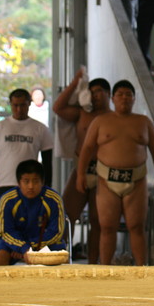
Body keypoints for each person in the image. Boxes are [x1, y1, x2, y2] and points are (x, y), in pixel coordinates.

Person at [77, 80, 154, 266]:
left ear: (134, 99)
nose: (124, 98)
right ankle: (105, 269)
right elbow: (87, 148)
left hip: (136, 181)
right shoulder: (100, 122)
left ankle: (141, 269)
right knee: (107, 227)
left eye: (128, 95)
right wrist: (80, 174)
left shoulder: (143, 122)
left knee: (137, 226)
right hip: (106, 180)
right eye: (120, 94)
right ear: (113, 98)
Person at [0, 88, 53, 265]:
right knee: (1, 230)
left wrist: (47, 187)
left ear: (29, 104)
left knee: (31, 226)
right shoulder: (1, 127)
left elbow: (47, 162)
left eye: (23, 105)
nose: (19, 109)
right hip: (4, 184)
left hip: (31, 187)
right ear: (10, 105)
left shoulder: (40, 129)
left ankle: (29, 258)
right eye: (15, 105)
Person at [52, 71, 112, 264]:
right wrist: (75, 82)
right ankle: (60, 257)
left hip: (103, 171)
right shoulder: (83, 113)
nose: (95, 95)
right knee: (66, 214)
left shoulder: (114, 117)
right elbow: (58, 107)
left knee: (97, 220)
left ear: (108, 94)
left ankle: (93, 263)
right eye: (91, 92)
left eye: (99, 91)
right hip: (80, 169)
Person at [0, 160, 65, 266]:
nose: (31, 186)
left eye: (35, 181)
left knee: (61, 258)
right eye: (26, 181)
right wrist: (23, 247)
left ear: (42, 182)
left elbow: (57, 232)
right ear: (19, 183)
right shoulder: (7, 200)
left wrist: (31, 248)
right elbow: (5, 231)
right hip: (16, 243)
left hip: (46, 243)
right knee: (0, 258)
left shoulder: (54, 199)